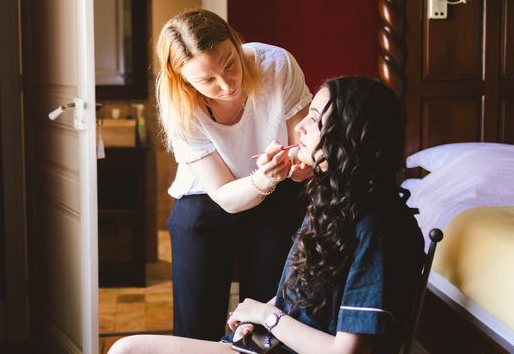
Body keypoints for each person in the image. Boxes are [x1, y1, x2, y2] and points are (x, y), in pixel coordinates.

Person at [108, 76, 425, 354]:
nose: (298, 127)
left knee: (127, 350)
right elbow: (299, 294)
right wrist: (256, 320)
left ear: (349, 135)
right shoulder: (334, 201)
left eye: (314, 118)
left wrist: (267, 317)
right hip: (270, 345)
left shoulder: (379, 227)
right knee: (128, 348)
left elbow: (346, 352)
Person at [155, 9, 314, 340]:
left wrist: (300, 166)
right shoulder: (178, 105)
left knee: (268, 322)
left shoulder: (277, 65)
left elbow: (305, 148)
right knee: (195, 330)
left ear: (235, 41)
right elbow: (225, 195)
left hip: (276, 202)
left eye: (229, 63)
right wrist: (263, 179)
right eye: (208, 80)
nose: (227, 84)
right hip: (205, 204)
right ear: (182, 79)